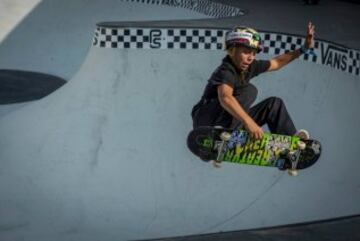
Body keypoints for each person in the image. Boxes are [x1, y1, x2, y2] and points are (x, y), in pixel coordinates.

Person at [191, 22, 316, 141]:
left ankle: (291, 145)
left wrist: (304, 49)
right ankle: (221, 135)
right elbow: (225, 97)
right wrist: (249, 123)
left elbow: (277, 62)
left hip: (231, 122)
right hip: (206, 124)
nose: (250, 58)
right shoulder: (226, 70)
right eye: (245, 52)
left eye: (254, 53)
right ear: (232, 50)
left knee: (274, 104)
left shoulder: (250, 66)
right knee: (249, 90)